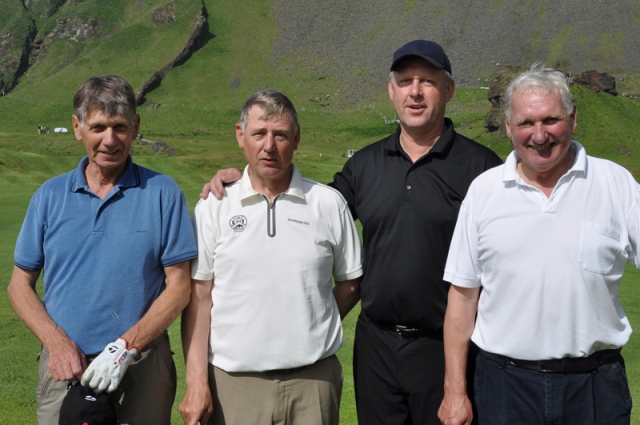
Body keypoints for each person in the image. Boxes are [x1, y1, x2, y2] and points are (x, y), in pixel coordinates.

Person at [201, 41, 502, 425]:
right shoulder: (365, 165)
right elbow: (308, 208)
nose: (415, 92)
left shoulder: (481, 168)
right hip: (376, 347)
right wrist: (245, 179)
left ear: (449, 90)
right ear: (391, 91)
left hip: (444, 345)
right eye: (405, 81)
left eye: (427, 81)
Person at [439, 65, 637, 425]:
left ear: (573, 118)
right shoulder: (484, 192)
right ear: (508, 125)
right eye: (526, 123)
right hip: (504, 387)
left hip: (595, 386)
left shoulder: (616, 184)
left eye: (551, 120)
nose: (540, 135)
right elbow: (462, 297)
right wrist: (454, 391)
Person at [7, 75, 197, 425]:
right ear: (77, 128)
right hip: (65, 367)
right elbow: (19, 285)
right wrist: (57, 343)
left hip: (141, 367)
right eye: (98, 127)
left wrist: (126, 347)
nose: (110, 140)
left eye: (120, 127)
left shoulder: (163, 194)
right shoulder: (49, 196)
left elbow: (180, 286)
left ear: (136, 127)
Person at [179, 90, 363, 425]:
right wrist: (196, 384)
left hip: (313, 384)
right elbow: (199, 299)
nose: (269, 146)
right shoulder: (214, 206)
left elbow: (351, 282)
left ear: (297, 138)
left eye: (280, 135)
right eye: (259, 134)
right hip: (234, 385)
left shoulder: (328, 204)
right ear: (240, 136)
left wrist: (313, 321)